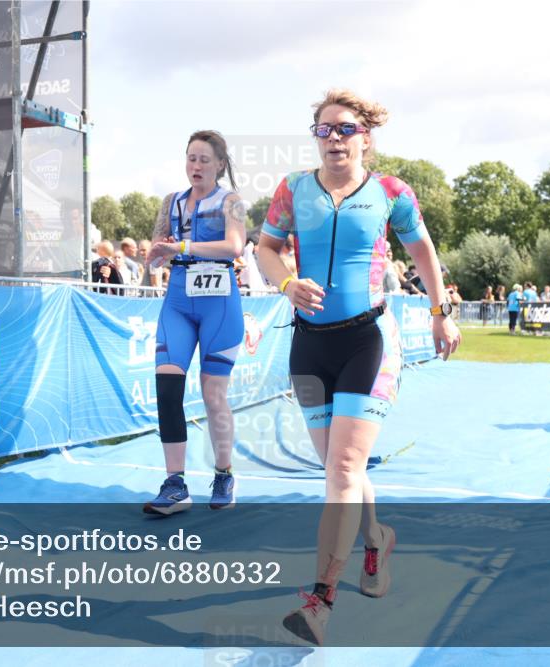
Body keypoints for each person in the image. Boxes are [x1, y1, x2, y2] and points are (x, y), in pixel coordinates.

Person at [255, 90, 460, 646]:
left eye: (344, 129)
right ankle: (376, 539)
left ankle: (320, 600)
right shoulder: (292, 190)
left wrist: (442, 315)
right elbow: (265, 248)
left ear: (365, 136)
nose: (334, 139)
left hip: (369, 341)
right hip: (309, 345)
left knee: (344, 470)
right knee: (340, 472)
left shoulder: (391, 192)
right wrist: (285, 282)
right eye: (323, 130)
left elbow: (424, 254)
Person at [143, 130, 246, 515]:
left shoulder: (231, 201)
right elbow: (155, 254)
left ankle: (223, 473)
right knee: (167, 390)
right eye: (191, 158)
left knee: (213, 395)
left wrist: (181, 247)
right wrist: (154, 255)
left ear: (220, 164)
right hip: (178, 303)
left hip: (219, 304)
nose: (196, 166)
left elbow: (234, 247)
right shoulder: (170, 202)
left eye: (204, 159)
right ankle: (175, 485)